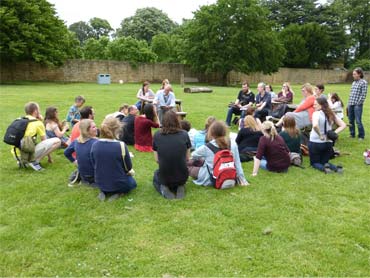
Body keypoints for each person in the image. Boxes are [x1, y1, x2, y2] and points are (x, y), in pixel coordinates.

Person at [189, 121, 248, 186]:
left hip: (210, 180)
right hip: (230, 177)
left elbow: (193, 155)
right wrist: (242, 179)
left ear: (212, 133)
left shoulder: (206, 147)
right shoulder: (233, 144)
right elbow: (237, 163)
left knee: (188, 165)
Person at [91, 117, 137, 201]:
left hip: (100, 181)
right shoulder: (121, 145)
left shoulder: (95, 144)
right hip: (118, 182)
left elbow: (94, 163)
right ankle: (118, 192)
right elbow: (128, 167)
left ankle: (104, 191)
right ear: (117, 130)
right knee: (132, 182)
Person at [152, 111, 192, 199]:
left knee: (156, 174)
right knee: (176, 173)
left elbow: (157, 160)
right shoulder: (184, 134)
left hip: (165, 174)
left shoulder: (157, 135)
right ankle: (180, 186)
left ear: (163, 121)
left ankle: (164, 187)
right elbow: (188, 158)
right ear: (177, 121)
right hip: (182, 174)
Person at [16, 102, 61, 171]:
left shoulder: (19, 119)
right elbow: (44, 141)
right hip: (26, 153)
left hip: (16, 154)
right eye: (38, 109)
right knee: (58, 141)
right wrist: (49, 158)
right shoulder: (37, 123)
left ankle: (22, 161)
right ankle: (35, 161)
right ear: (35, 111)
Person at [308, 98, 346, 173]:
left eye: (315, 104)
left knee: (314, 163)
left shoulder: (316, 113)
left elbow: (315, 125)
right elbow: (343, 125)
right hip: (328, 143)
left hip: (316, 142)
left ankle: (324, 169)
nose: (313, 106)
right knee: (325, 162)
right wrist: (333, 133)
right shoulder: (331, 113)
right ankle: (336, 168)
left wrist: (320, 135)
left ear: (321, 105)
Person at [64, 119, 98, 186]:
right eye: (93, 127)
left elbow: (66, 152)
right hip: (95, 176)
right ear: (87, 130)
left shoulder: (77, 141)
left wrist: (74, 161)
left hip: (83, 175)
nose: (96, 128)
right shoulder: (96, 143)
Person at [348, 67, 368, 140]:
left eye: (354, 74)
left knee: (358, 121)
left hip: (357, 105)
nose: (353, 75)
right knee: (350, 120)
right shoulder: (353, 83)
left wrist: (358, 104)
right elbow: (351, 94)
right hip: (350, 104)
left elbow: (363, 95)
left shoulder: (364, 83)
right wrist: (348, 104)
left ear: (359, 74)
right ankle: (352, 134)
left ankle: (361, 136)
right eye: (353, 74)